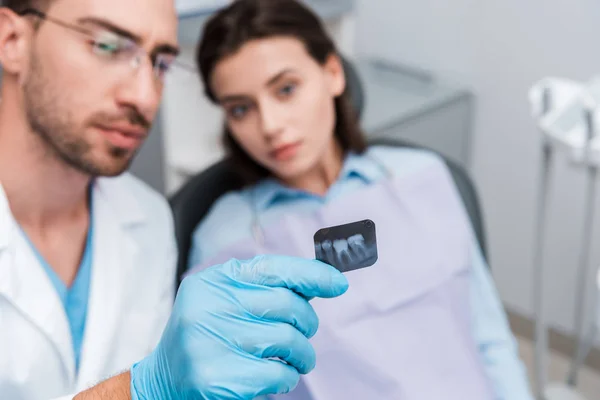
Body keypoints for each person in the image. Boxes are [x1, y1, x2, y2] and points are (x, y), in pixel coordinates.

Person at [0, 0, 350, 399]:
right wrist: (140, 388)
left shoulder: (150, 218)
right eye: (108, 46)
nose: (146, 97)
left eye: (161, 64)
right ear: (13, 40)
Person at [187, 0, 535, 399]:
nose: (270, 125)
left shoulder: (421, 176)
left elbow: (489, 337)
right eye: (241, 108)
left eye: (286, 89)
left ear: (333, 74)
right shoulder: (224, 239)